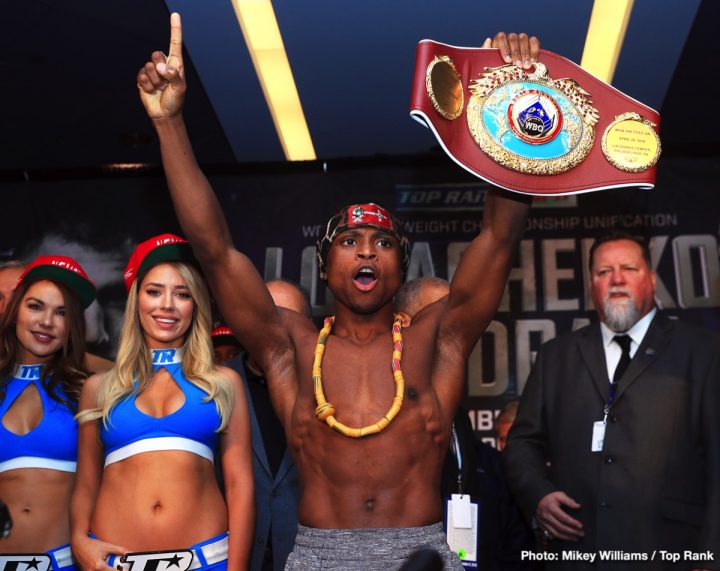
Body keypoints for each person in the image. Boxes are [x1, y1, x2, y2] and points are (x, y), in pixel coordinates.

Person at [136, 15, 537, 569]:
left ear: (401, 265)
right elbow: (215, 250)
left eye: (382, 243)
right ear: (325, 269)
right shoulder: (288, 348)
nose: (367, 251)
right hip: (320, 555)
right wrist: (170, 125)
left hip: (419, 552)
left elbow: (498, 236)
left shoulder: (437, 339)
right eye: (349, 241)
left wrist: (512, 100)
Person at [503, 231, 720, 569]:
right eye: (604, 272)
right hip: (576, 554)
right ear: (591, 283)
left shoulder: (702, 352)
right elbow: (522, 442)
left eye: (628, 269)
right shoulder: (556, 356)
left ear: (651, 278)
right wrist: (537, 494)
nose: (616, 279)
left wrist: (710, 557)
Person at [70, 234, 253, 570]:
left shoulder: (223, 384)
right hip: (113, 564)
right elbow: (85, 482)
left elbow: (240, 484)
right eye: (154, 291)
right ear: (135, 299)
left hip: (203, 560)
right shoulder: (100, 388)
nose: (167, 304)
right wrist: (79, 540)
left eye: (182, 294)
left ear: (196, 304)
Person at [397, 277, 538, 571]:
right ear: (403, 323)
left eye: (460, 314)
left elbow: (511, 542)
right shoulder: (372, 421)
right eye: (441, 312)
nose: (457, 325)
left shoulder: (471, 442)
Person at [0, 255, 96, 570]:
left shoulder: (90, 388)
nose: (46, 322)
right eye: (35, 306)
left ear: (73, 325)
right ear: (14, 311)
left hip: (65, 563)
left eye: (62, 313)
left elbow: (136, 370)